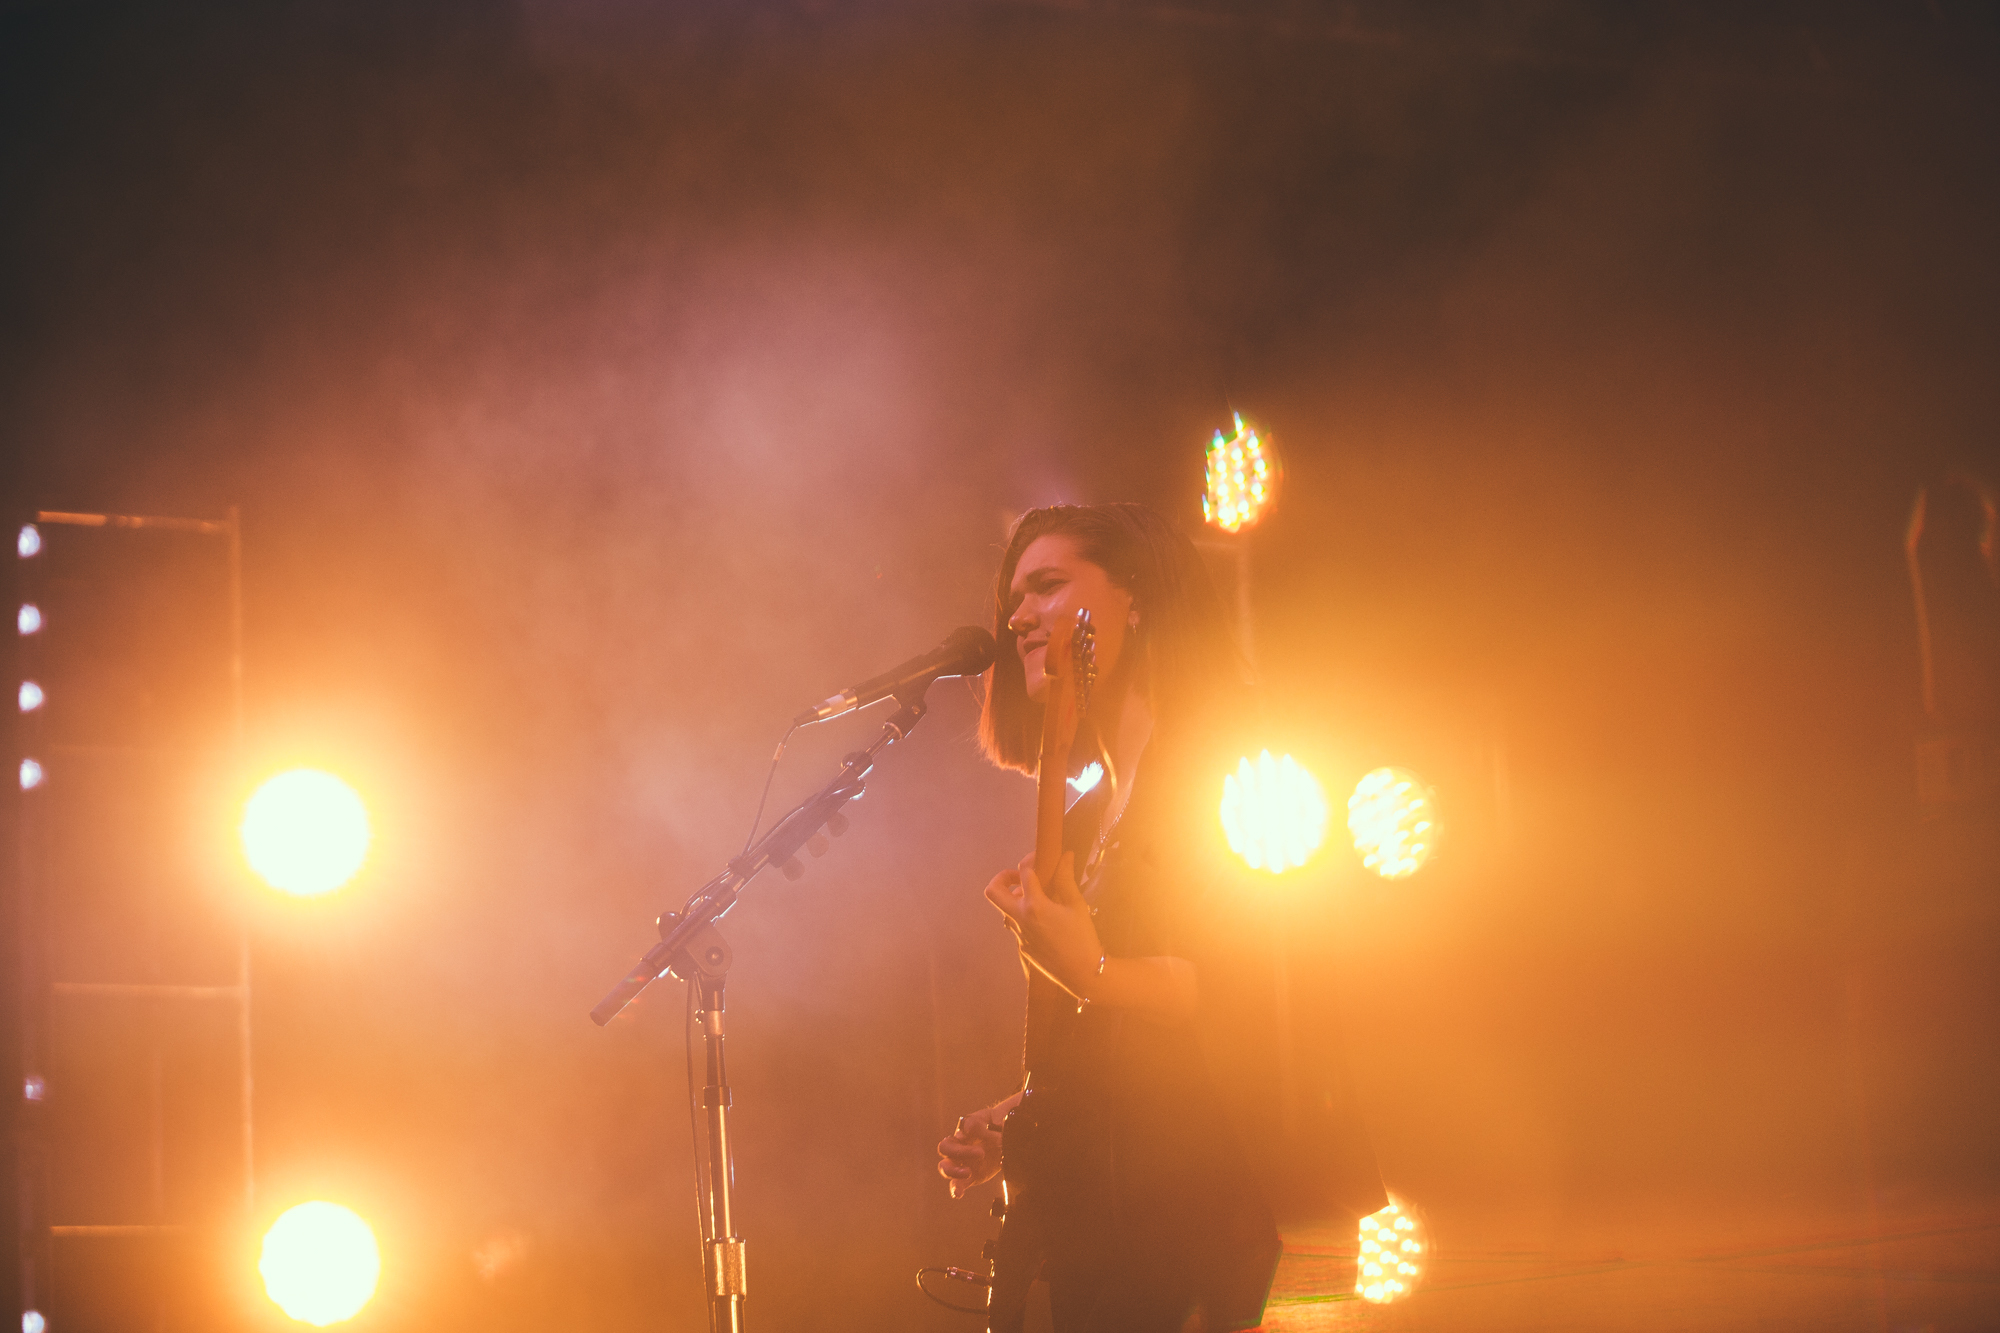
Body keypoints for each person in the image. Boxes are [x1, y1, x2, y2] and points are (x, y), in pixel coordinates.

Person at [935, 503, 1283, 1333]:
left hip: (1193, 1208)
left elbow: (1234, 982)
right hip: (1100, 1222)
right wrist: (1030, 1112)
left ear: (1136, 600)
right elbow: (1110, 1029)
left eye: (1048, 586)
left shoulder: (1230, 762)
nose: (1018, 614)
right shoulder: (1087, 812)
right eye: (1013, 596)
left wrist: (1091, 969)